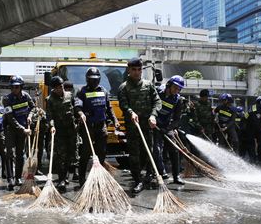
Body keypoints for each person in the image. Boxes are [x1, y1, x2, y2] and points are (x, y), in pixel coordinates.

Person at [118, 57, 161, 194]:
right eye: (134, 70)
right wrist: (130, 112)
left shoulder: (148, 85)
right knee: (134, 155)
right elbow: (123, 105)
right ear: (129, 70)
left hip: (147, 126)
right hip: (133, 127)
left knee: (148, 152)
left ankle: (148, 176)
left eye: (139, 69)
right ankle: (137, 180)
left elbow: (157, 102)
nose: (137, 72)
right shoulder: (124, 87)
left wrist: (153, 115)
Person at [74, 68, 118, 188]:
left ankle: (99, 178)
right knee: (86, 153)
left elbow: (109, 108)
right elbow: (77, 106)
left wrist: (115, 120)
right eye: (91, 80)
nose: (94, 82)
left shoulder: (103, 90)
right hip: (88, 127)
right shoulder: (81, 91)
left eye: (96, 79)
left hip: (101, 127)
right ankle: (82, 178)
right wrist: (81, 113)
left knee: (101, 153)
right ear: (87, 79)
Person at [45, 76, 77, 192]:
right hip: (59, 131)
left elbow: (76, 108)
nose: (60, 89)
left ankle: (66, 175)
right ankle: (61, 179)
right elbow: (49, 115)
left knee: (70, 155)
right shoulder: (49, 99)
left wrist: (81, 114)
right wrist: (52, 126)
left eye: (61, 86)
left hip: (71, 130)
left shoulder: (70, 95)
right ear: (53, 88)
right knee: (60, 156)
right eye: (58, 87)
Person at [153, 75, 186, 184]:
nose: (177, 90)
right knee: (156, 149)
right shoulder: (157, 92)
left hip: (166, 126)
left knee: (174, 149)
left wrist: (167, 128)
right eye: (175, 87)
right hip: (154, 124)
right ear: (169, 85)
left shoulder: (178, 100)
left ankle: (176, 176)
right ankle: (159, 172)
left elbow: (177, 120)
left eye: (179, 89)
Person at [2, 75, 34, 190]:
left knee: (20, 154)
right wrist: (23, 129)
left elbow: (33, 108)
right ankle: (10, 179)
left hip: (23, 130)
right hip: (11, 129)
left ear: (21, 87)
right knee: (9, 153)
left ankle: (18, 177)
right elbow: (10, 118)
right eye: (13, 87)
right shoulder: (6, 99)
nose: (14, 89)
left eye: (17, 87)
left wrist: (30, 116)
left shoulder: (26, 96)